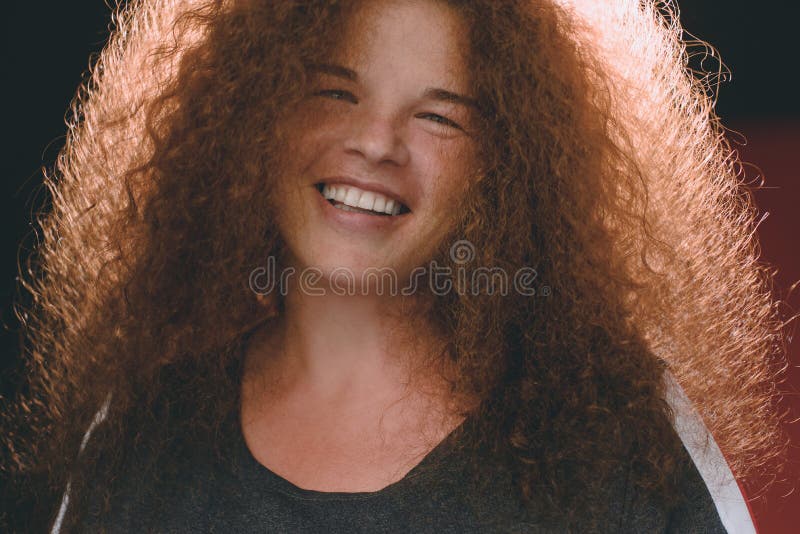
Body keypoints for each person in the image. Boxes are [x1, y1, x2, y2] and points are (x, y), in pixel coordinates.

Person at [1, 0, 792, 532]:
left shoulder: (617, 433)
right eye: (335, 92)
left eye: (440, 116)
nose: (378, 142)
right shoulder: (142, 429)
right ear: (250, 112)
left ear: (510, 164)